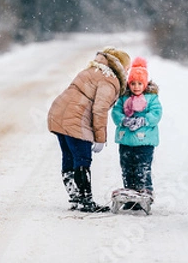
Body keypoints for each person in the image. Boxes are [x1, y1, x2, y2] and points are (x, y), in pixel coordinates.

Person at [47, 47, 130, 213]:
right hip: (75, 118)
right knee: (82, 158)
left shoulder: (92, 70)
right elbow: (99, 109)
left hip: (58, 113)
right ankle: (85, 200)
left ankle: (76, 197)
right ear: (120, 67)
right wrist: (100, 139)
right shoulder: (109, 79)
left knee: (69, 156)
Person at [111, 57, 163, 210]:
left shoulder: (151, 98)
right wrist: (123, 120)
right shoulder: (124, 98)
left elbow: (157, 113)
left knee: (142, 168)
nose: (136, 87)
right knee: (127, 168)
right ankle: (130, 196)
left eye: (139, 83)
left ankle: (145, 195)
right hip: (125, 141)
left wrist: (143, 120)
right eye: (133, 83)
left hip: (144, 142)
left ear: (145, 84)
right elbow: (116, 112)